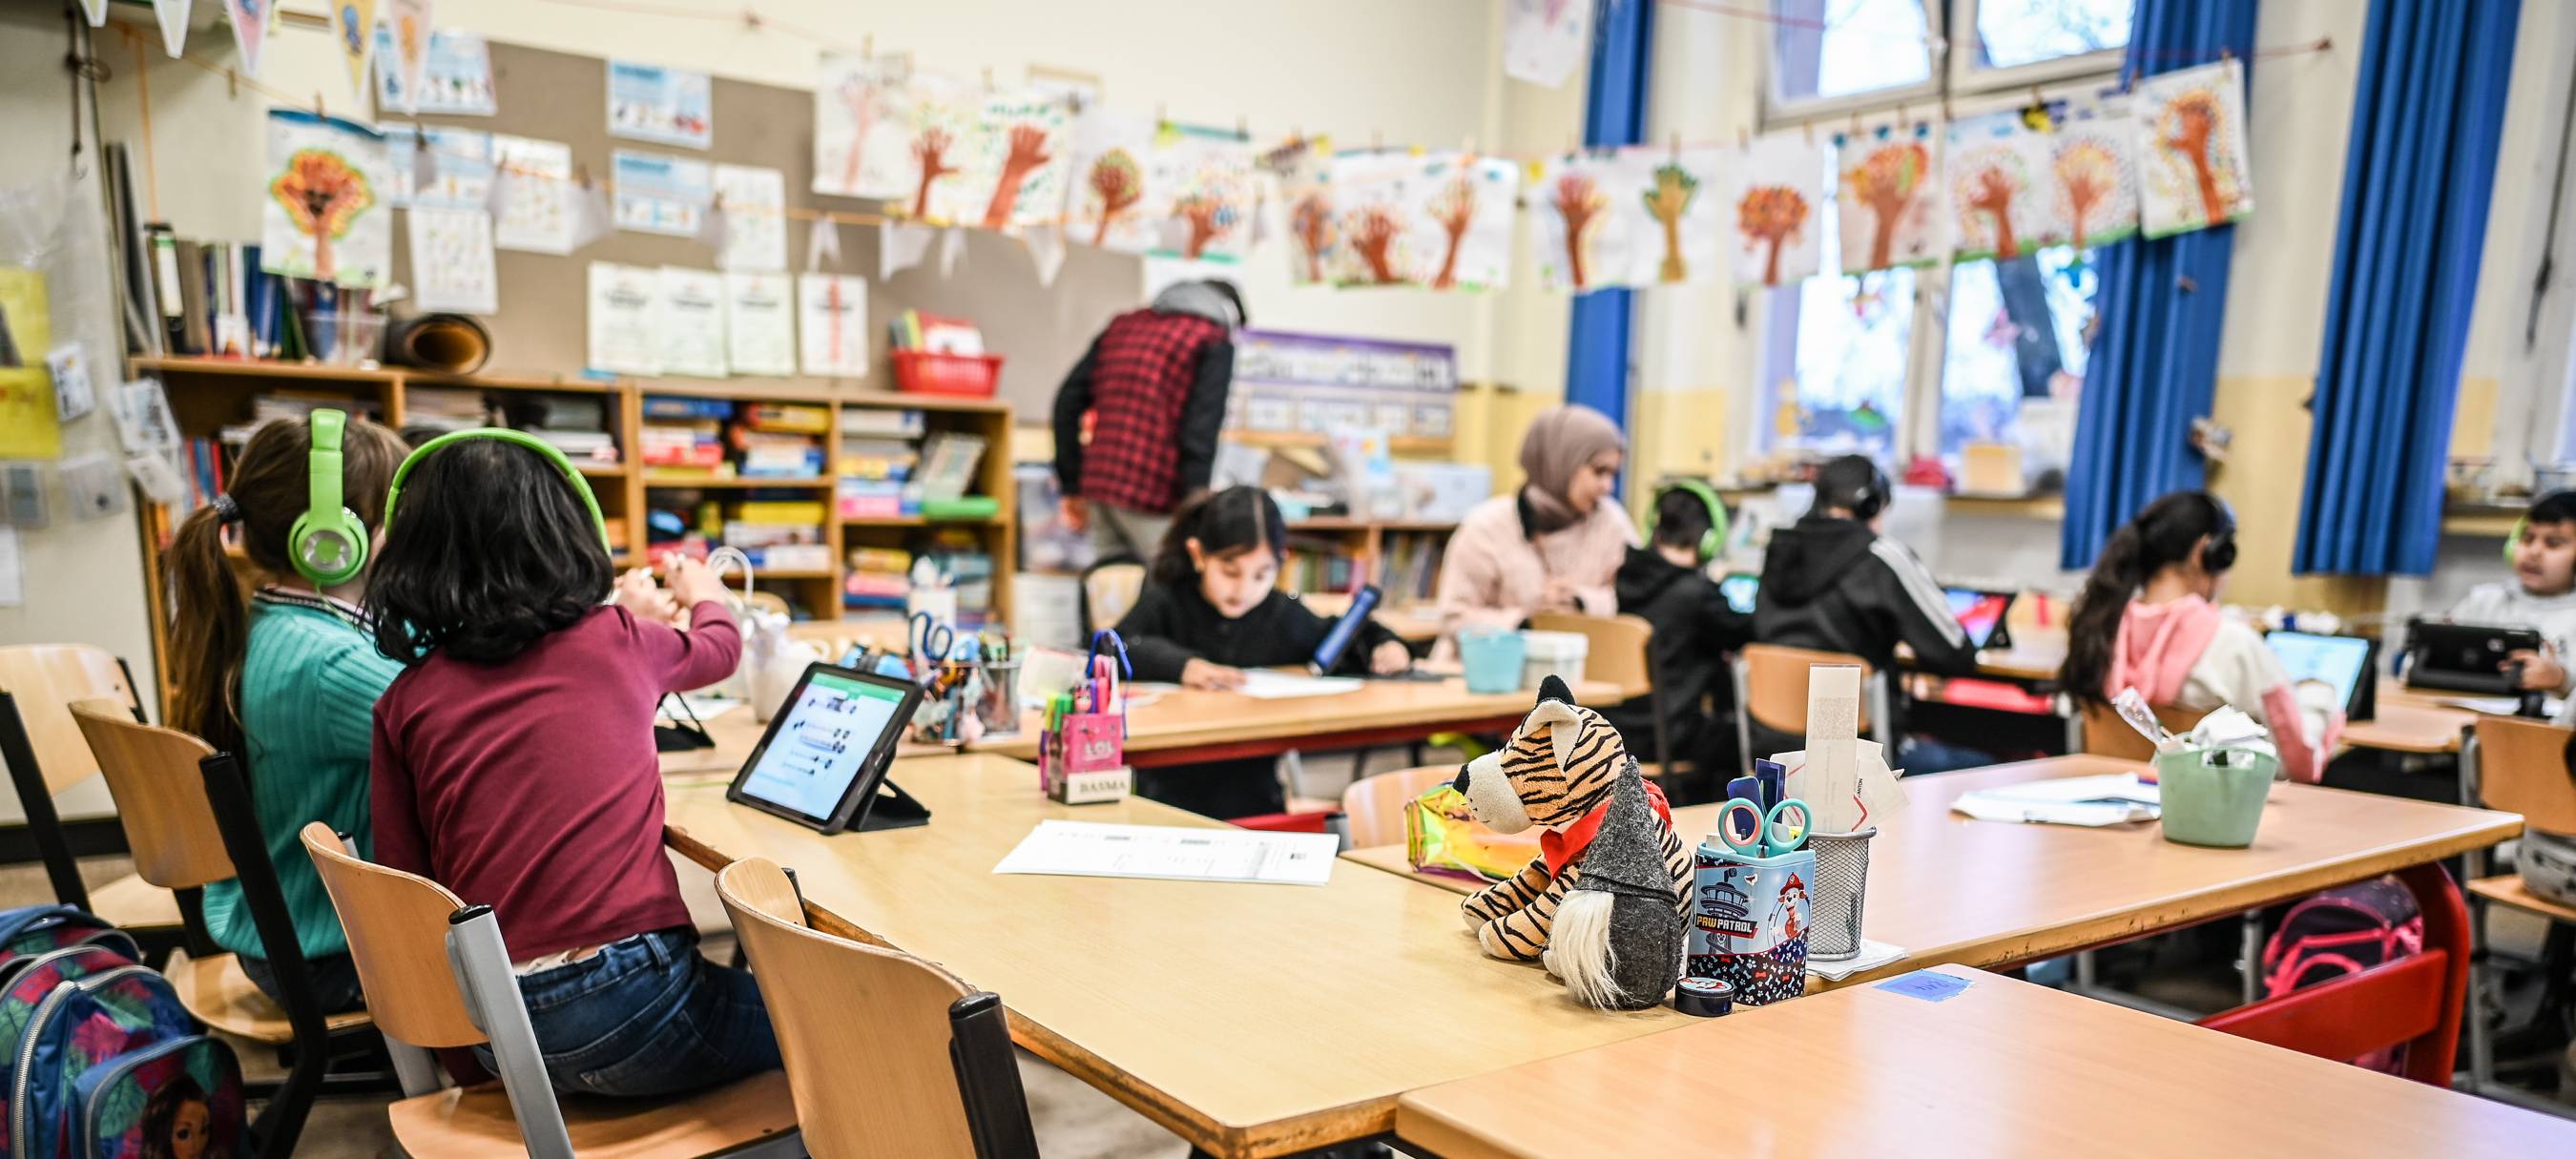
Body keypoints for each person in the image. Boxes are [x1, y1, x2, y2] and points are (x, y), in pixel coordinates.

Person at [365, 431, 776, 1099]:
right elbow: (720, 646)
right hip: (637, 1004)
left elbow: (404, 890)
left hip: (499, 1031)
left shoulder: (404, 701)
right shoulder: (617, 641)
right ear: (569, 534)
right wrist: (705, 587)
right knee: (842, 1022)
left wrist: (473, 1065)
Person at [162, 411, 406, 1014]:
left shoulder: (280, 625)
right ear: (332, 539)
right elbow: (464, 733)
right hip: (326, 956)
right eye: (396, 515)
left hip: (282, 936)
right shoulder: (329, 665)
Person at [1114, 486, 1412, 818]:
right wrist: (1183, 666)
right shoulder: (1167, 599)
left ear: (1281, 563)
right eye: (1230, 571)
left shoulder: (1280, 613)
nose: (1244, 589)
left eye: (1262, 574)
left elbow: (1341, 636)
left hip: (1257, 800)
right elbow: (1115, 646)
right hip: (1166, 800)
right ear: (1198, 555)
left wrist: (1387, 644)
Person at [2058, 490, 2340, 783]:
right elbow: (2297, 765)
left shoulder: (2099, 627)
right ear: (2203, 552)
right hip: (2206, 817)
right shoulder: (2235, 644)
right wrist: (2319, 699)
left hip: (2115, 809)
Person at [1752, 455, 1984, 771]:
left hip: (1775, 758)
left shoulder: (1778, 550)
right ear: (1872, 505)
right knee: (1986, 765)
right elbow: (1955, 653)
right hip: (1862, 765)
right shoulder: (1881, 556)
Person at [1051, 279, 1247, 562]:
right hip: (1154, 496)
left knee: (1110, 590)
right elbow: (1199, 433)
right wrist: (1195, 513)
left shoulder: (1123, 326)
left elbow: (1068, 401)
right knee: (1174, 593)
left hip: (1099, 485)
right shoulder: (1212, 339)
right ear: (1230, 314)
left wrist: (1071, 483)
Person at [1435, 404, 1635, 651]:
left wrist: (1580, 601)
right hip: (1488, 673)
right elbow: (1453, 617)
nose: (1608, 486)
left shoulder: (1612, 522)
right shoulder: (1487, 526)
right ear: (1561, 461)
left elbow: (1639, 598)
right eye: (1599, 471)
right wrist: (1527, 621)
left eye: (1613, 474)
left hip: (1580, 674)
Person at [1600, 484, 1753, 793]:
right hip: (1666, 736)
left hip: (1613, 732)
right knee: (1746, 737)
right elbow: (1745, 633)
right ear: (1709, 540)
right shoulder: (1698, 595)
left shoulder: (1625, 578)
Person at [2445, 490, 2576, 701]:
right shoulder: (2484, 600)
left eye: (2553, 543)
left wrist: (2561, 680)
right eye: (2527, 538)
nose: (2534, 551)